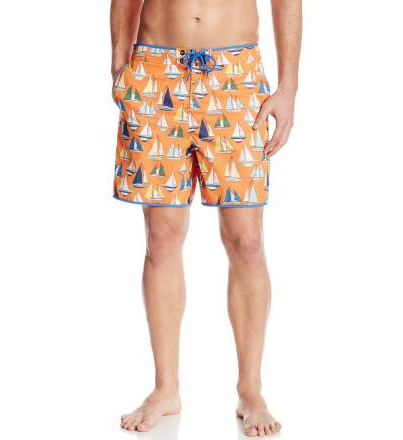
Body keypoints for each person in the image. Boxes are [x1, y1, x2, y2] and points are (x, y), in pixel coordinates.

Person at [109, 0, 301, 436]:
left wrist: (288, 87)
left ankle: (250, 390)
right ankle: (165, 388)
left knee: (247, 241)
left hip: (235, 72)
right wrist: (120, 65)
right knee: (161, 238)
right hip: (156, 69)